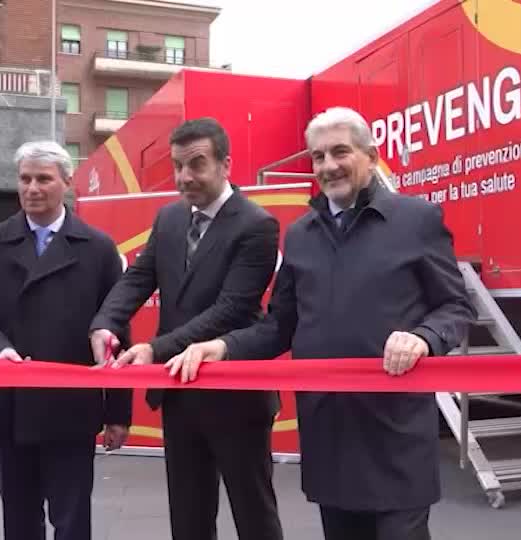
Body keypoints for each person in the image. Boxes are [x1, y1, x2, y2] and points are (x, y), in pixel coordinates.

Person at [168, 107, 476, 540]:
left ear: (371, 156)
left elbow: (456, 306)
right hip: (330, 432)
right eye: (318, 156)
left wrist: (423, 337)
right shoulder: (301, 235)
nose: (328, 166)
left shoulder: (417, 220)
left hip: (396, 433)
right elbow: (279, 326)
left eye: (340, 152)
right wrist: (221, 347)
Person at [90, 117, 284, 540]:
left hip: (236, 397)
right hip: (178, 395)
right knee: (189, 518)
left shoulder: (257, 225)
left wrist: (155, 349)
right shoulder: (169, 219)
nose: (184, 177)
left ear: (225, 165)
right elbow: (138, 278)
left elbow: (231, 309)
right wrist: (105, 323)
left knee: (254, 516)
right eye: (178, 166)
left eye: (196, 164)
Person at [0, 140, 131, 540]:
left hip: (71, 411)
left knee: (72, 522)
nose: (32, 188)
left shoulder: (99, 248)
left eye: (44, 179)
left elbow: (116, 331)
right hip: (9, 407)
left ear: (67, 182)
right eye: (25, 179)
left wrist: (118, 413)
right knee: (19, 521)